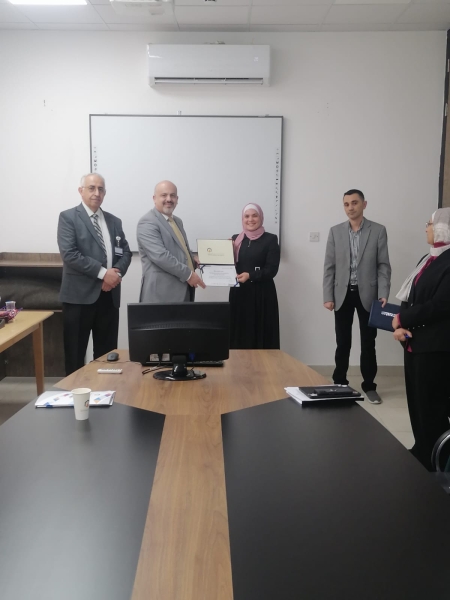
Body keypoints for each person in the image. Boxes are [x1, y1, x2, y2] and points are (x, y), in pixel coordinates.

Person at [392, 208, 450, 471]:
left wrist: (402, 318)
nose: (426, 228)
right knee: (417, 403)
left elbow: (441, 305)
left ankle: (438, 462)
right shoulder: (427, 258)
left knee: (433, 407)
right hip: (415, 343)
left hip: (436, 347)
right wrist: (400, 326)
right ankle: (422, 450)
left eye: (430, 224)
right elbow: (411, 297)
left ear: (443, 228)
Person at [57, 173, 132, 376]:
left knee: (107, 356)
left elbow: (125, 252)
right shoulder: (68, 217)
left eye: (101, 189)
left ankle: (105, 391)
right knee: (75, 355)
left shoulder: (114, 221)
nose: (96, 193)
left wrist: (115, 274)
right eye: (91, 188)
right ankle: (75, 392)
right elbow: (70, 254)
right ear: (81, 191)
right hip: (78, 299)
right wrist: (103, 274)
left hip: (108, 297)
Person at [323, 189, 391, 404]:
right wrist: (327, 295)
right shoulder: (335, 232)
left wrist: (383, 293)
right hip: (342, 294)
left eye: (354, 203)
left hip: (369, 295)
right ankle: (339, 383)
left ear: (364, 204)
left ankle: (369, 386)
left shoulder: (378, 230)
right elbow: (329, 267)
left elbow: (383, 265)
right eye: (346, 204)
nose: (350, 207)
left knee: (368, 343)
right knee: (342, 342)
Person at [137, 181, 205, 303]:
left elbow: (180, 248)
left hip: (184, 290)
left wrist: (192, 259)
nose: (169, 199)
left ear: (177, 199)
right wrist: (189, 275)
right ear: (154, 198)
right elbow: (160, 256)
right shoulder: (147, 222)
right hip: (161, 295)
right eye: (164, 195)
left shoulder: (177, 221)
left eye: (172, 195)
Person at [229, 203, 280, 349]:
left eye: (254, 215)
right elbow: (227, 264)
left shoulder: (270, 239)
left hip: (262, 295)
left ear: (261, 217)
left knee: (261, 334)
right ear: (242, 219)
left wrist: (250, 275)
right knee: (239, 333)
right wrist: (224, 251)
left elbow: (272, 270)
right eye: (246, 216)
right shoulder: (235, 239)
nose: (250, 219)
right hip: (239, 294)